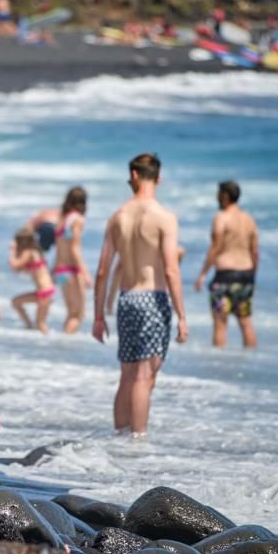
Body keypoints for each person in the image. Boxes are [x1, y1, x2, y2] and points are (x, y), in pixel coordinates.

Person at [92, 153, 188, 438]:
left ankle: (120, 438)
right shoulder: (164, 218)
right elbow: (171, 270)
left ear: (133, 176)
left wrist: (98, 315)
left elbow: (102, 271)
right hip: (152, 299)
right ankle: (137, 442)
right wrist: (182, 316)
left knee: (127, 375)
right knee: (145, 377)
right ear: (158, 178)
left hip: (126, 299)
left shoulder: (117, 217)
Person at [194, 181, 259, 348]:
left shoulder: (221, 218)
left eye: (218, 193)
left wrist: (202, 274)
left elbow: (215, 248)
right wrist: (252, 276)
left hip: (225, 277)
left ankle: (218, 367)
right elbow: (255, 252)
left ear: (224, 196)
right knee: (246, 323)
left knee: (220, 325)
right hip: (246, 275)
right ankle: (252, 361)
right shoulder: (249, 219)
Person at [52, 187, 92, 334]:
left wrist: (53, 271)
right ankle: (65, 342)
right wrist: (85, 273)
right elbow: (75, 249)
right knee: (78, 314)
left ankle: (62, 347)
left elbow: (58, 248)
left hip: (60, 270)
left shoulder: (61, 219)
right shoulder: (77, 220)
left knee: (70, 313)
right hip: (71, 271)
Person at [9, 229, 55, 333]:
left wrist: (12, 250)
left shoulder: (29, 252)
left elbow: (14, 265)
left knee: (41, 324)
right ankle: (29, 327)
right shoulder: (35, 252)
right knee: (16, 302)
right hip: (45, 291)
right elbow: (21, 269)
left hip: (44, 292)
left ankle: (50, 344)